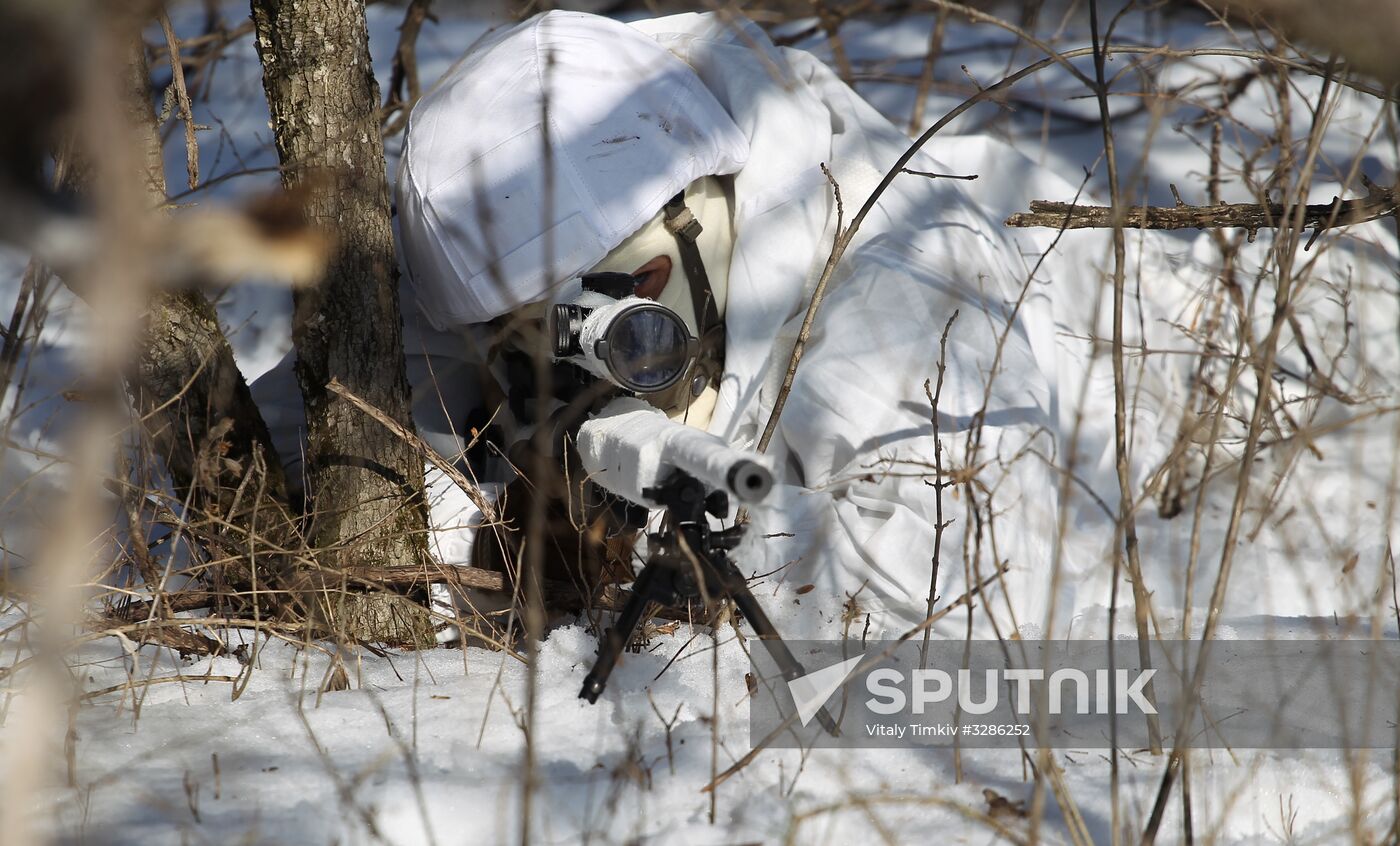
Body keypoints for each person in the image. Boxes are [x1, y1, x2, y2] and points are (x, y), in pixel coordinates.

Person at [259, 10, 1187, 643]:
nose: (579, 363)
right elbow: (304, 431)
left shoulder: (906, 292)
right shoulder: (503, 247)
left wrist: (714, 542)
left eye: (628, 307)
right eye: (519, 333)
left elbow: (949, 609)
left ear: (690, 232)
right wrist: (466, 516)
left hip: (1167, 332)